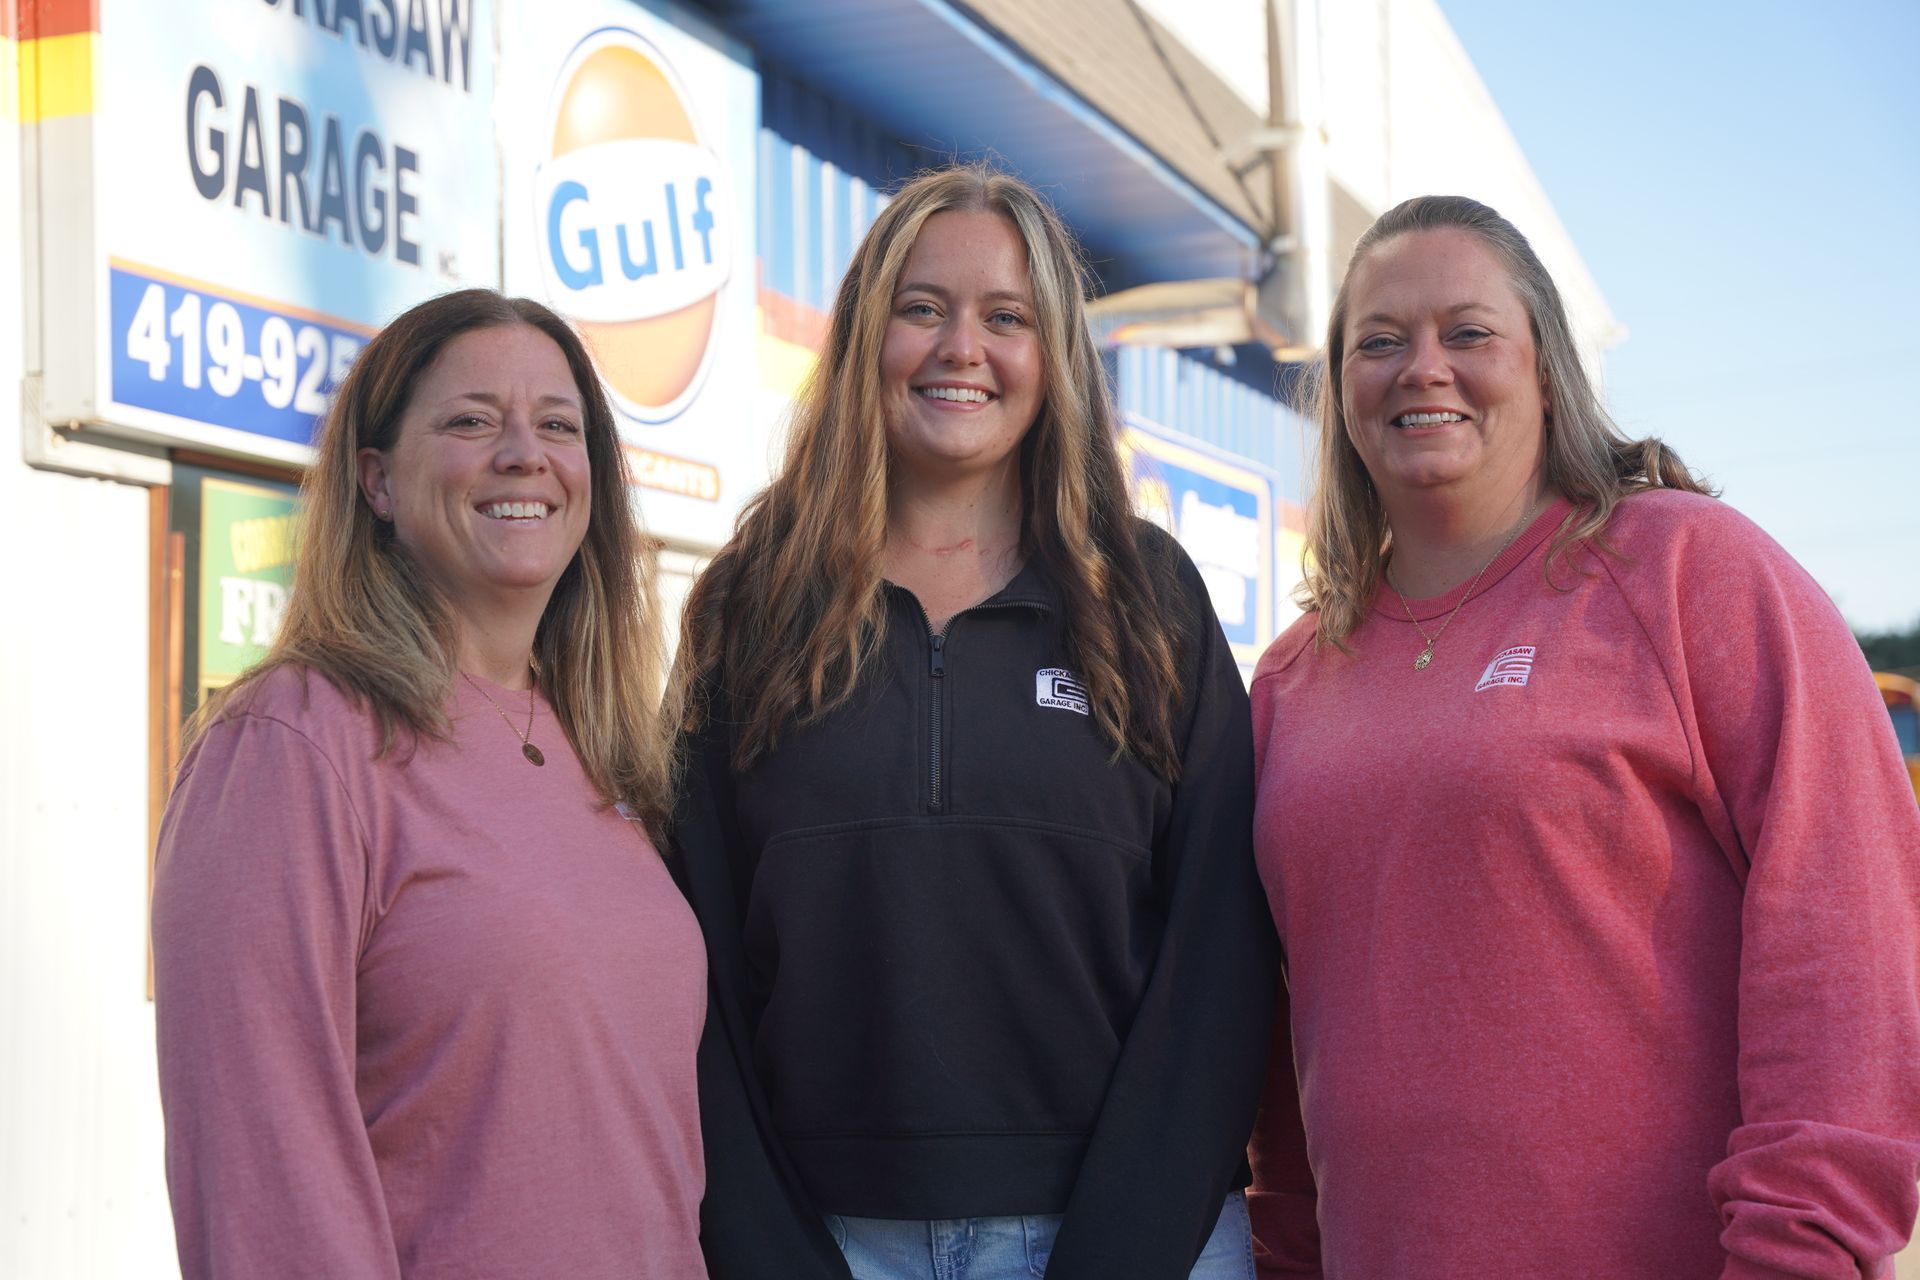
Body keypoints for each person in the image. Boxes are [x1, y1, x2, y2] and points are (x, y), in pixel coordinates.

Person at [1245, 195, 1920, 1279]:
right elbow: (1281, 1036)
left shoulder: (1687, 571)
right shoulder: (1286, 684)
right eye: (1379, 340)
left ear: (1548, 371)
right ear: (1340, 393)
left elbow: (1847, 927)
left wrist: (1806, 1252)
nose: (1422, 366)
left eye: (1468, 332)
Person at [669, 164, 1280, 1280]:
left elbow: (1220, 954)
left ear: (1052, 357)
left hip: (1133, 1238)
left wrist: (1122, 1247)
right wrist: (763, 1247)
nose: (963, 346)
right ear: (866, 337)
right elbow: (691, 953)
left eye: (1007, 317)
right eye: (922, 307)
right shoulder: (752, 602)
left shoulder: (1148, 598)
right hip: (830, 1243)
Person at [151, 289, 707, 1278]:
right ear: (376, 480)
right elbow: (264, 1184)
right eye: (470, 419)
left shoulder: (605, 750)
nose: (523, 452)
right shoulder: (295, 744)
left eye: (557, 424)